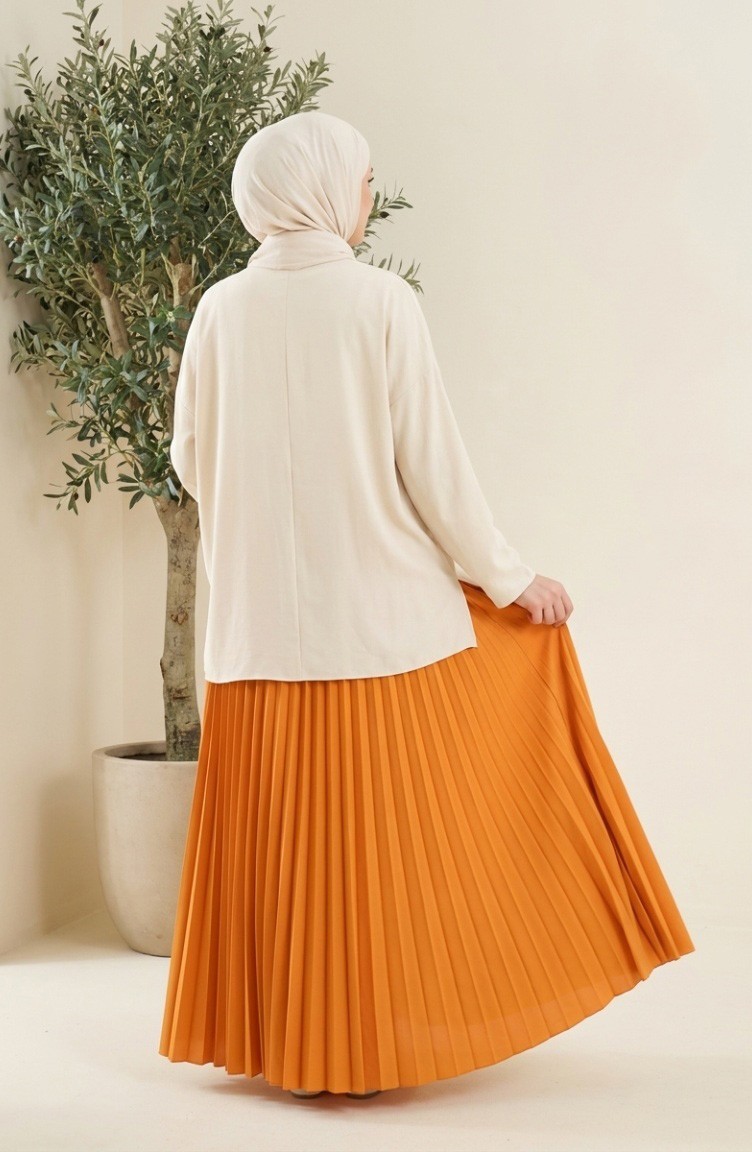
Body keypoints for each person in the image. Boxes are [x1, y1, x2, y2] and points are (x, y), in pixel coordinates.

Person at [158, 110, 695, 1099]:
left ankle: (294, 1047)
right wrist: (507, 578)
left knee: (290, 850)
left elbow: (191, 459)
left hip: (254, 636)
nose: (366, 198)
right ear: (324, 188)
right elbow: (432, 465)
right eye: (362, 180)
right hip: (375, 627)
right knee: (376, 847)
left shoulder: (221, 311)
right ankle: (372, 1044)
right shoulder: (377, 301)